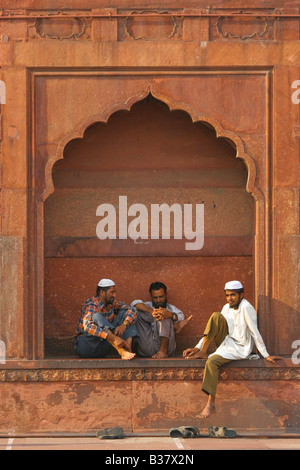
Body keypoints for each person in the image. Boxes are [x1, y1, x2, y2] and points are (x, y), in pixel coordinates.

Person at [183, 280, 281, 418]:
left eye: (233, 295)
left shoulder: (247, 307)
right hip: (226, 342)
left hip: (240, 348)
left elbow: (254, 331)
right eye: (228, 295)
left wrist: (265, 355)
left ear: (241, 295)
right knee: (216, 316)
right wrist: (196, 347)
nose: (230, 298)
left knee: (211, 362)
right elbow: (213, 328)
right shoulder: (226, 307)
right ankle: (203, 351)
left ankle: (210, 403)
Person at [75, 278, 138, 360]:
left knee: (126, 315)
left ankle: (128, 349)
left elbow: (132, 310)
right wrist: (113, 338)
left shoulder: (111, 303)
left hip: (103, 347)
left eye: (115, 292)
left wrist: (124, 324)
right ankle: (121, 350)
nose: (114, 295)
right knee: (96, 316)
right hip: (87, 347)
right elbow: (87, 326)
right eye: (112, 292)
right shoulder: (92, 304)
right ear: (102, 292)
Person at [131, 281, 192, 359]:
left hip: (167, 349)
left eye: (161, 297)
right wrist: (151, 311)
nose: (158, 300)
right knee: (138, 313)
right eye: (155, 298)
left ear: (166, 295)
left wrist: (169, 314)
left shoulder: (171, 308)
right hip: (147, 348)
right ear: (151, 297)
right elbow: (134, 303)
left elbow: (181, 316)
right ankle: (173, 326)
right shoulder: (147, 306)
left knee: (163, 315)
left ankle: (163, 351)